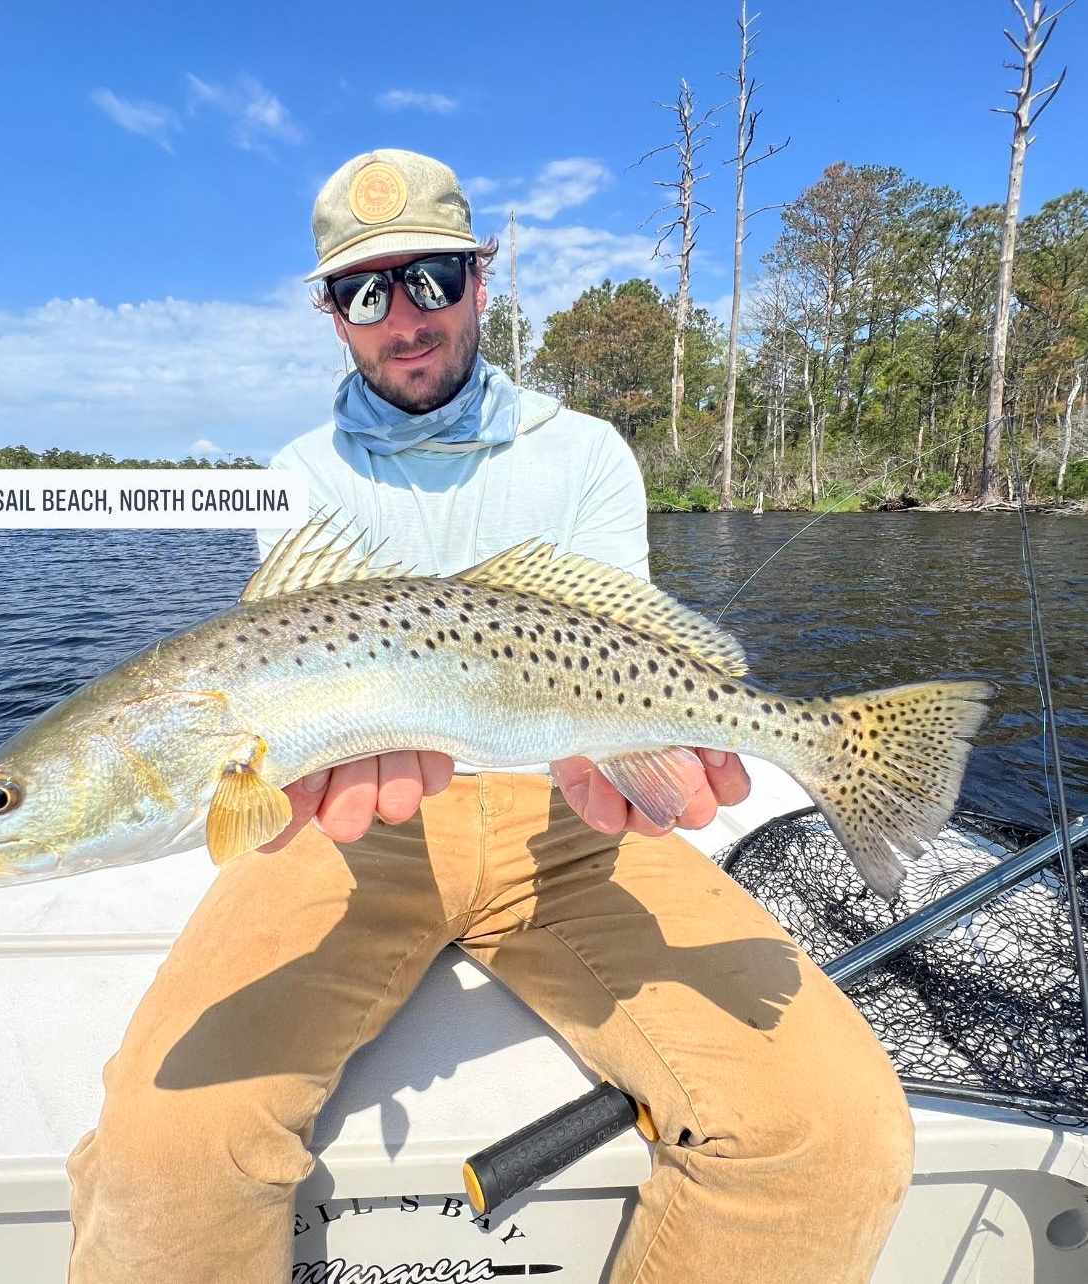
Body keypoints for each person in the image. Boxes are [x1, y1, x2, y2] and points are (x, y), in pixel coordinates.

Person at [67, 149, 914, 1283]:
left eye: (431, 279)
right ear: (333, 316)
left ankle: (838, 748)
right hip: (348, 833)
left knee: (831, 1133)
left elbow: (630, 652)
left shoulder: (586, 453)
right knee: (164, 1153)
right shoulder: (298, 475)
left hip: (569, 829)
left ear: (483, 279)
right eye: (366, 292)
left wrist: (641, 763)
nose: (403, 318)